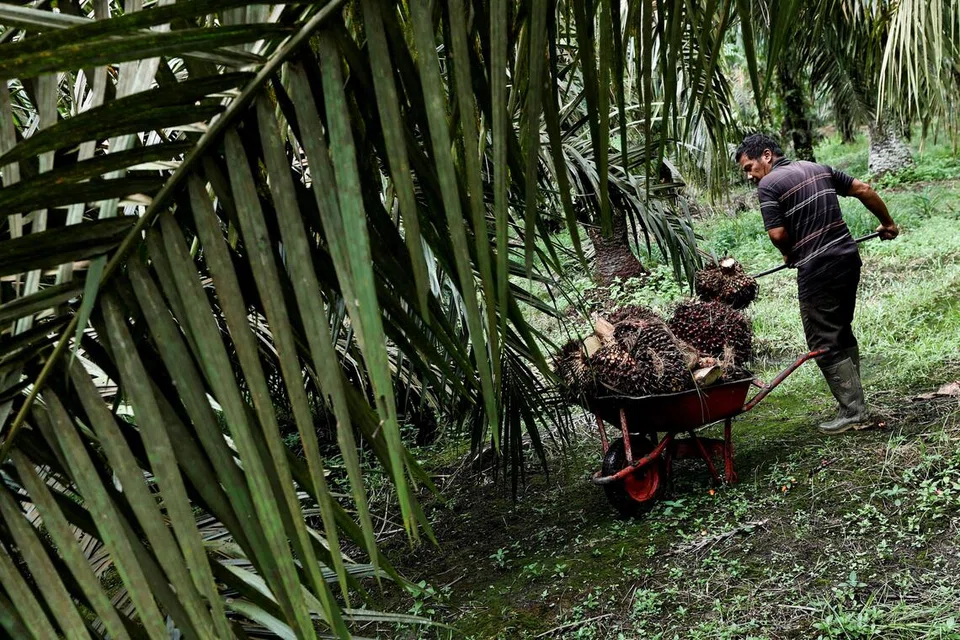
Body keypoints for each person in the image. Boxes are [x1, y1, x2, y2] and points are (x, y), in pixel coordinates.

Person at [735, 133, 899, 434]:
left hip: (818, 269)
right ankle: (855, 405)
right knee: (840, 329)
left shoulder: (769, 185)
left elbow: (777, 234)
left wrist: (789, 253)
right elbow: (863, 189)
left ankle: (854, 412)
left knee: (822, 340)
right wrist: (888, 223)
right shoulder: (816, 168)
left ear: (767, 156)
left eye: (749, 167)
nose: (749, 175)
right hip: (847, 259)